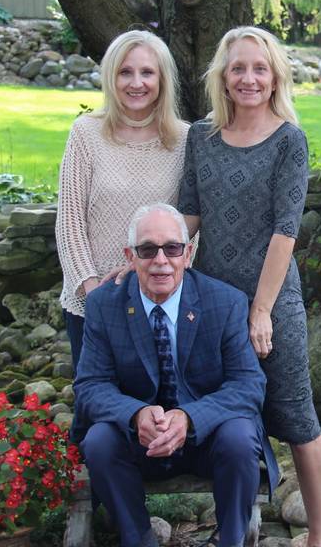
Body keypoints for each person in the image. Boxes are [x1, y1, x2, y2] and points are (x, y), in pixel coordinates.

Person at [177, 26, 321, 546]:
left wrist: (261, 311)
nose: (248, 78)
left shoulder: (289, 140)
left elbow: (285, 232)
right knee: (231, 420)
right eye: (238, 68)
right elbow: (189, 217)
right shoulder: (201, 137)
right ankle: (237, 531)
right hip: (211, 305)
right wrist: (142, 259)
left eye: (259, 68)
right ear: (222, 75)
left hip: (273, 304)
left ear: (275, 78)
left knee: (296, 418)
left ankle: (320, 537)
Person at [73, 204, 278, 547]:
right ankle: (138, 539)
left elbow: (248, 385)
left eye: (172, 248)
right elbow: (91, 385)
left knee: (241, 436)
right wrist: (135, 415)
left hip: (206, 439)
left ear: (188, 253)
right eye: (147, 249)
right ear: (130, 255)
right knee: (98, 441)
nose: (160, 260)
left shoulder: (225, 302)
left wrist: (189, 417)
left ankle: (232, 540)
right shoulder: (103, 305)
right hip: (138, 441)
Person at [56, 29, 189, 372]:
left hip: (162, 298)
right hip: (92, 300)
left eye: (147, 72)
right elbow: (70, 221)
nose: (136, 83)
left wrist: (164, 277)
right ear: (110, 78)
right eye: (125, 72)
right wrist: (93, 290)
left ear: (162, 79)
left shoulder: (185, 140)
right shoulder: (86, 133)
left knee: (160, 411)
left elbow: (193, 224)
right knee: (99, 412)